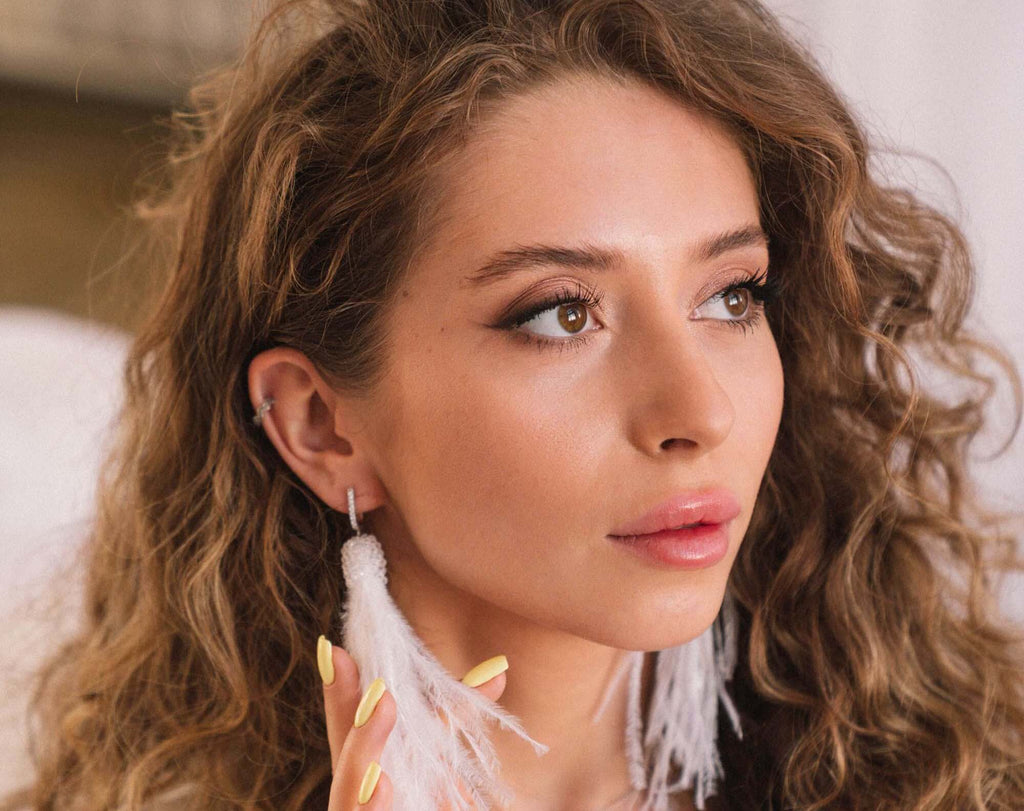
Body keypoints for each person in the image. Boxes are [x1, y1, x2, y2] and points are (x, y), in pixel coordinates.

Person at [6, 0, 1023, 808]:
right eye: (560, 315)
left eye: (730, 295)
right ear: (320, 425)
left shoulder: (966, 763)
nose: (698, 412)